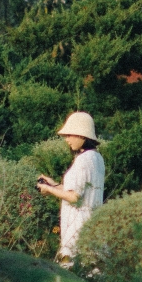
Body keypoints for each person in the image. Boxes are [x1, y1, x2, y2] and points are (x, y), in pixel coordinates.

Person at [36, 111, 105, 268]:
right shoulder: (97, 158)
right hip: (93, 226)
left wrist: (49, 190)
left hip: (78, 228)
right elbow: (78, 190)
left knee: (75, 272)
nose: (66, 140)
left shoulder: (83, 161)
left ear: (82, 136)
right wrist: (53, 184)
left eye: (70, 135)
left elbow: (74, 197)